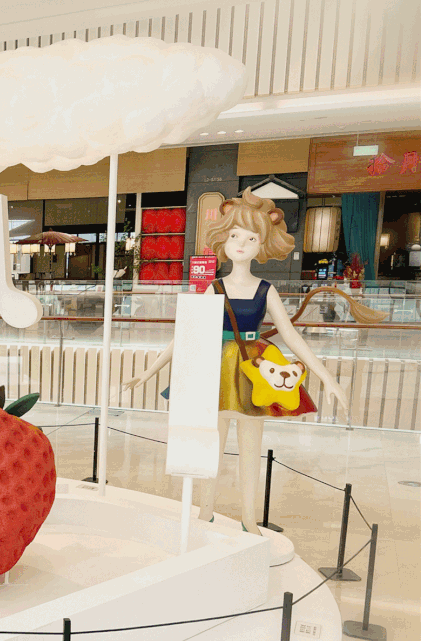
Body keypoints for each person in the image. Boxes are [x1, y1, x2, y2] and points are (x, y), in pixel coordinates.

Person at [124, 189, 349, 535]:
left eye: (251, 238)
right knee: (210, 444)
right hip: (216, 368)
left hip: (251, 368)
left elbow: (291, 335)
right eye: (234, 235)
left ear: (262, 244)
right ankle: (206, 510)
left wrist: (327, 377)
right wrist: (148, 371)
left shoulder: (265, 290)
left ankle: (248, 517)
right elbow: (186, 333)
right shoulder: (214, 288)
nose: (241, 243)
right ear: (224, 239)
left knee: (251, 447)